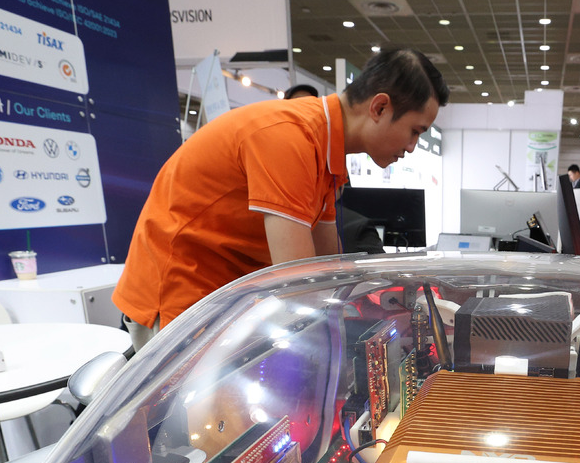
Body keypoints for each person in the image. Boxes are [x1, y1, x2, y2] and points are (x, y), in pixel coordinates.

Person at [114, 47, 449, 349]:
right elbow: (299, 286)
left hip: (226, 301)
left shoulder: (327, 153)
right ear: (379, 107)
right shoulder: (290, 138)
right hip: (183, 299)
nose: (411, 147)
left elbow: (326, 267)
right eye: (415, 131)